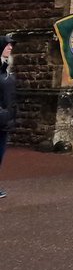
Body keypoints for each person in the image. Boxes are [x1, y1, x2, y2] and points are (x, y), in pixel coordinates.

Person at [0, 35, 15, 199]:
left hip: (5, 118)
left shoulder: (7, 69)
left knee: (0, 153)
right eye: (7, 45)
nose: (10, 47)